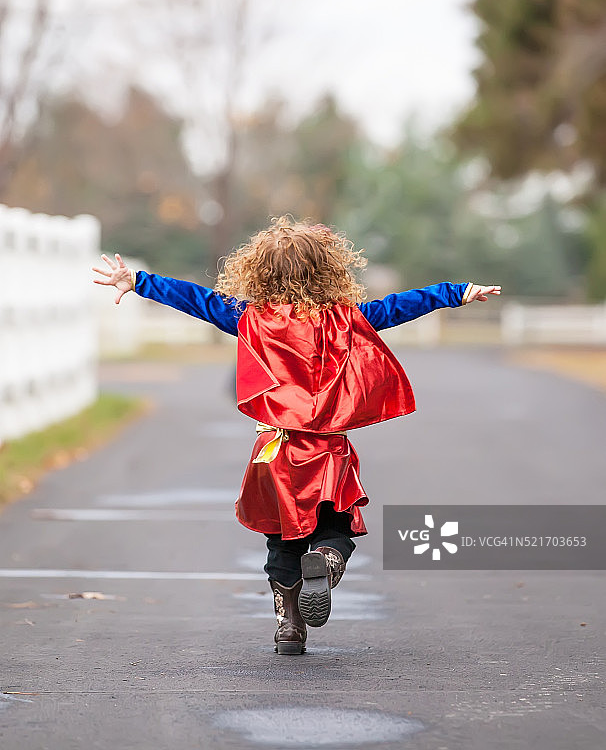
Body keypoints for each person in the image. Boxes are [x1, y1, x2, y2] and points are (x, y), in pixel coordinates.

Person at [93, 216, 501, 655]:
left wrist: (138, 280)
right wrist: (456, 293)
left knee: (280, 534)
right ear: (327, 269)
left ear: (260, 272)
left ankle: (289, 623)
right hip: (328, 451)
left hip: (276, 447)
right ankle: (324, 563)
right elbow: (401, 305)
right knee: (336, 526)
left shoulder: (249, 317)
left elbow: (198, 299)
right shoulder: (347, 319)